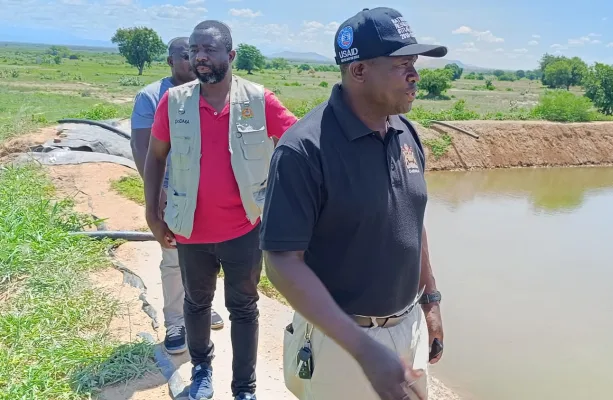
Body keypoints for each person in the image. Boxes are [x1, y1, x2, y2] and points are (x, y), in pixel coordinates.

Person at [259, 7, 446, 400]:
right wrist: (364, 350)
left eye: (415, 63)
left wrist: (429, 300)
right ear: (359, 70)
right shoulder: (304, 150)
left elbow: (414, 220)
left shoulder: (405, 132)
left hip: (407, 327)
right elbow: (280, 261)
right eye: (402, 64)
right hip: (339, 340)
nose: (415, 75)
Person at [142, 21, 298, 400]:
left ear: (230, 55)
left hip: (245, 228)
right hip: (189, 229)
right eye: (194, 49)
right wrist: (152, 212)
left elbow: (299, 144)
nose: (199, 56)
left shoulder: (259, 101)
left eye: (209, 50)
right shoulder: (174, 102)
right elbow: (155, 157)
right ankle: (201, 372)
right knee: (196, 303)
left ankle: (244, 388)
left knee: (243, 307)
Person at [129, 36, 224, 356]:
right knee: (174, 258)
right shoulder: (152, 97)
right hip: (173, 193)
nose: (195, 60)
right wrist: (156, 195)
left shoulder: (213, 92)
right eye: (186, 55)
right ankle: (175, 321)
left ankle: (200, 305)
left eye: (198, 53)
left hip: (209, 193)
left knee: (208, 257)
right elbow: (143, 150)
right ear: (170, 61)